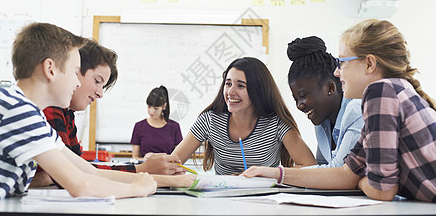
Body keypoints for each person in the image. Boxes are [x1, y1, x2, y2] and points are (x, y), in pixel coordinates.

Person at [242, 19, 436, 202]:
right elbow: (346, 173)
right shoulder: (392, 92)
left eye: (342, 62)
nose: (336, 72)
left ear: (369, 64)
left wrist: (360, 182)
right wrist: (276, 173)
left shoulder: (381, 92)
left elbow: (382, 190)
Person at [0, 23, 156, 200]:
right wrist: (138, 189)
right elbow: (81, 186)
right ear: (50, 69)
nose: (77, 83)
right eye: (75, 73)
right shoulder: (17, 110)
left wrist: (146, 180)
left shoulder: (30, 113)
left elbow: (90, 172)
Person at [31, 39, 190, 189]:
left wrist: (144, 171)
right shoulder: (49, 109)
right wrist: (145, 172)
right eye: (97, 81)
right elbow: (77, 174)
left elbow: (82, 169)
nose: (100, 94)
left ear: (164, 107)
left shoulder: (66, 114)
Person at [172, 57, 316, 175]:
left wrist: (266, 174)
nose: (231, 92)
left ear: (258, 90)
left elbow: (310, 167)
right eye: (228, 84)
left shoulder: (276, 124)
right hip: (222, 202)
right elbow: (172, 163)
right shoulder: (210, 120)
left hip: (265, 202)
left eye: (240, 86)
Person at [287, 36, 363, 168]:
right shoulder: (322, 122)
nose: (299, 105)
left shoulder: (357, 110)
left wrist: (280, 174)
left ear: (330, 88)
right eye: (296, 99)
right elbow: (322, 166)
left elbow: (338, 171)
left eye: (303, 96)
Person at [131, 86, 183, 159]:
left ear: (164, 106)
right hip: (146, 168)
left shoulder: (174, 127)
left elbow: (179, 157)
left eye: (156, 108)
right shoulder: (139, 126)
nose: (151, 112)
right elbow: (135, 157)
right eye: (149, 107)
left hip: (168, 168)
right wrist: (144, 159)